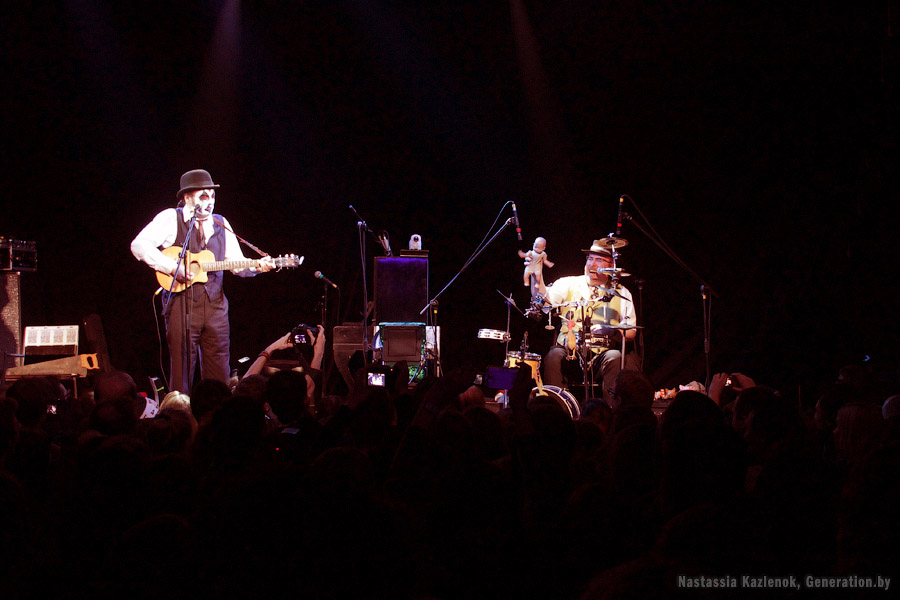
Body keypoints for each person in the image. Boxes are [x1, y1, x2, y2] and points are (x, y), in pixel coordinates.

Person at [131, 169, 275, 392]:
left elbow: (236, 263)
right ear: (187, 197)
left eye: (212, 196)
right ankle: (180, 419)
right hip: (181, 304)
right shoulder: (171, 218)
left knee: (219, 372)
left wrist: (258, 266)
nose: (209, 202)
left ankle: (216, 418)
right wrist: (171, 267)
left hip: (216, 307)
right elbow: (139, 245)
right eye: (203, 196)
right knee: (181, 371)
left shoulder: (220, 222)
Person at [536, 239, 636, 404]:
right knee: (553, 356)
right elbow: (544, 303)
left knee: (615, 356)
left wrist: (611, 330)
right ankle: (556, 411)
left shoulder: (622, 292)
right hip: (570, 353)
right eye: (590, 259)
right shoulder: (568, 283)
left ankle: (612, 412)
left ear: (611, 265)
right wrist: (536, 275)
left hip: (601, 354)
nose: (592, 264)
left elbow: (631, 332)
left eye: (599, 260)